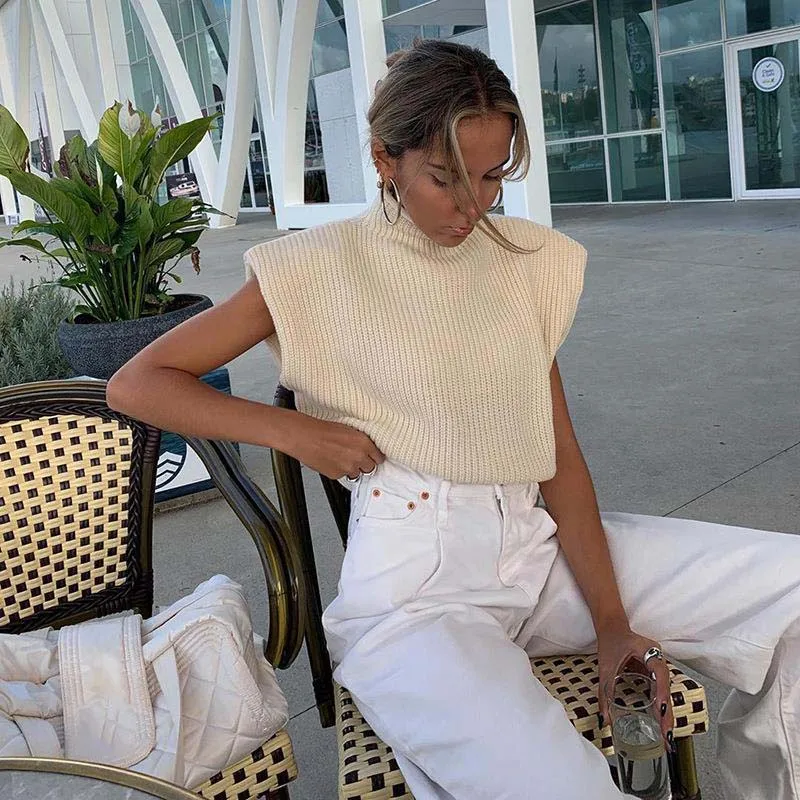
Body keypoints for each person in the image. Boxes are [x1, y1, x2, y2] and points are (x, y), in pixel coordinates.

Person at [107, 39, 799, 800]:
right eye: (447, 178)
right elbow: (139, 384)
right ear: (385, 159)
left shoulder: (525, 264)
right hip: (416, 596)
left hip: (538, 551)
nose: (476, 205)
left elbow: (558, 455)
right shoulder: (312, 269)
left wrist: (611, 620)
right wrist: (296, 433)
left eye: (494, 175)